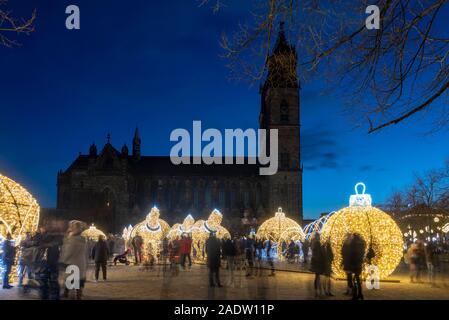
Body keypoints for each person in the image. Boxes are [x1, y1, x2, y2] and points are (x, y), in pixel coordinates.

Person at [60, 220, 88, 300]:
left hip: (71, 263)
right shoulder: (83, 239)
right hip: (80, 263)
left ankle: (67, 293)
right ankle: (78, 295)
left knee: (69, 279)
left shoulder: (72, 239)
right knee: (78, 281)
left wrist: (63, 261)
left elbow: (68, 252)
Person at [35, 224, 64, 300]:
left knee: (52, 281)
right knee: (44, 281)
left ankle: (53, 296)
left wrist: (47, 244)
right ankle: (46, 295)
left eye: (42, 228)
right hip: (45, 263)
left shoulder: (55, 238)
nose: (41, 230)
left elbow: (57, 243)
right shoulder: (43, 238)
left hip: (52, 263)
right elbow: (38, 244)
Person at [348, 233, 366, 300]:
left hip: (354, 264)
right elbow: (363, 253)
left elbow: (351, 254)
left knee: (354, 280)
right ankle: (360, 294)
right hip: (359, 264)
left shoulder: (353, 243)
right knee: (358, 279)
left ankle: (355, 295)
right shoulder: (362, 244)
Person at [310, 233, 324, 297]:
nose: (320, 237)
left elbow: (314, 253)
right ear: (318, 237)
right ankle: (319, 292)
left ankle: (317, 291)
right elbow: (319, 253)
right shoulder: (317, 243)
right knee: (318, 277)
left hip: (315, 263)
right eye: (319, 236)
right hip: (318, 263)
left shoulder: (314, 243)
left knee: (317, 277)